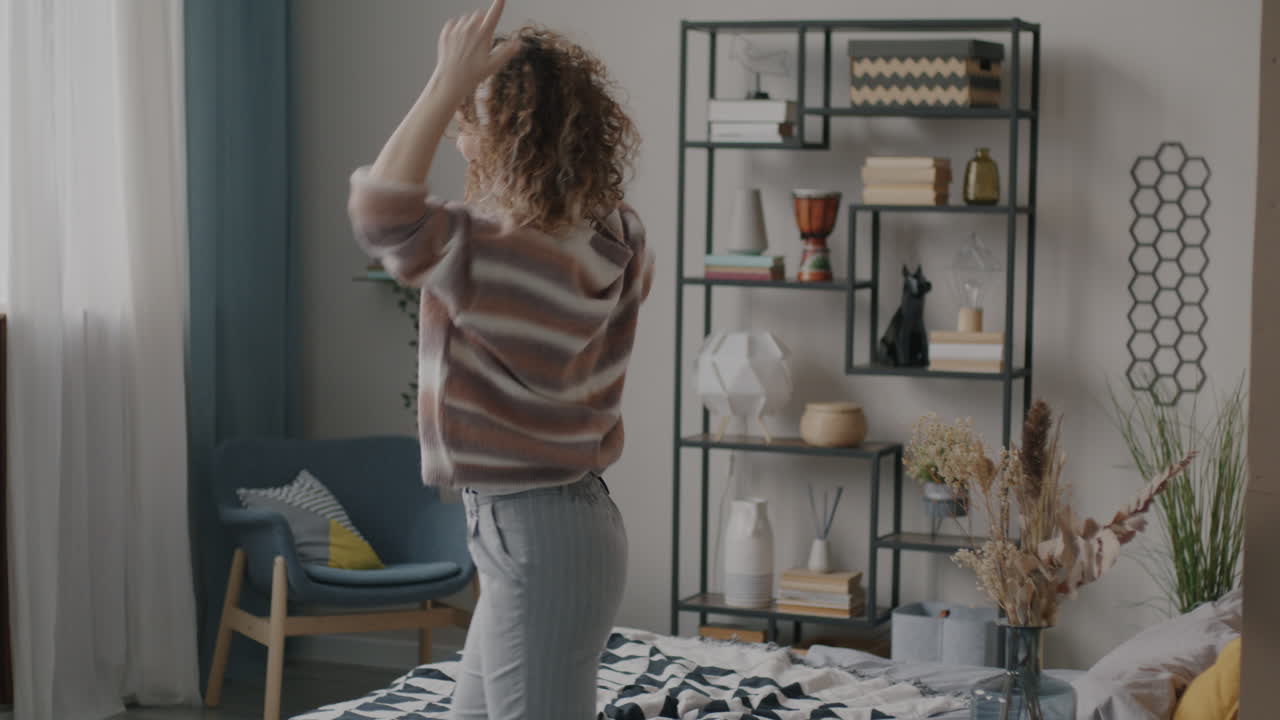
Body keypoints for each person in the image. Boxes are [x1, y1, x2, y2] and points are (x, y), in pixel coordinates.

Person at [346, 1, 651, 718]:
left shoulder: (482, 248)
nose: (457, 134)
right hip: (564, 523)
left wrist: (443, 82)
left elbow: (380, 213)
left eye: (469, 119)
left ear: (509, 135)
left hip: (535, 531)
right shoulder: (618, 234)